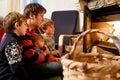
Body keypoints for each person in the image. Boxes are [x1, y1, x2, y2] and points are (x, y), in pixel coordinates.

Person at [21, 3, 63, 80]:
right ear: (31, 15)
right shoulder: (23, 32)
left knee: (62, 62)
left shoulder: (33, 31)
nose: (43, 19)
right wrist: (49, 58)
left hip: (39, 59)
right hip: (30, 66)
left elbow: (42, 50)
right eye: (41, 16)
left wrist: (52, 57)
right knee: (63, 67)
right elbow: (33, 59)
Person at [0, 12, 29, 80]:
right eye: (25, 24)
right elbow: (16, 68)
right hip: (8, 76)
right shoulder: (12, 42)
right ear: (17, 25)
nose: (27, 26)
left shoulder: (7, 36)